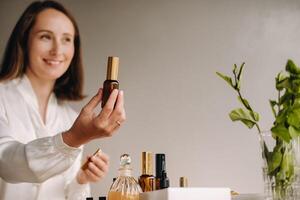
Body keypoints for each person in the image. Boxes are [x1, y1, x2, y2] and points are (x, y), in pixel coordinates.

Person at [0, 1, 126, 199]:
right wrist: (73, 138)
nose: (57, 50)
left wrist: (81, 179)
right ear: (24, 40)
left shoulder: (70, 117)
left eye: (67, 39)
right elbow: (6, 163)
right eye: (45, 36)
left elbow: (67, 195)